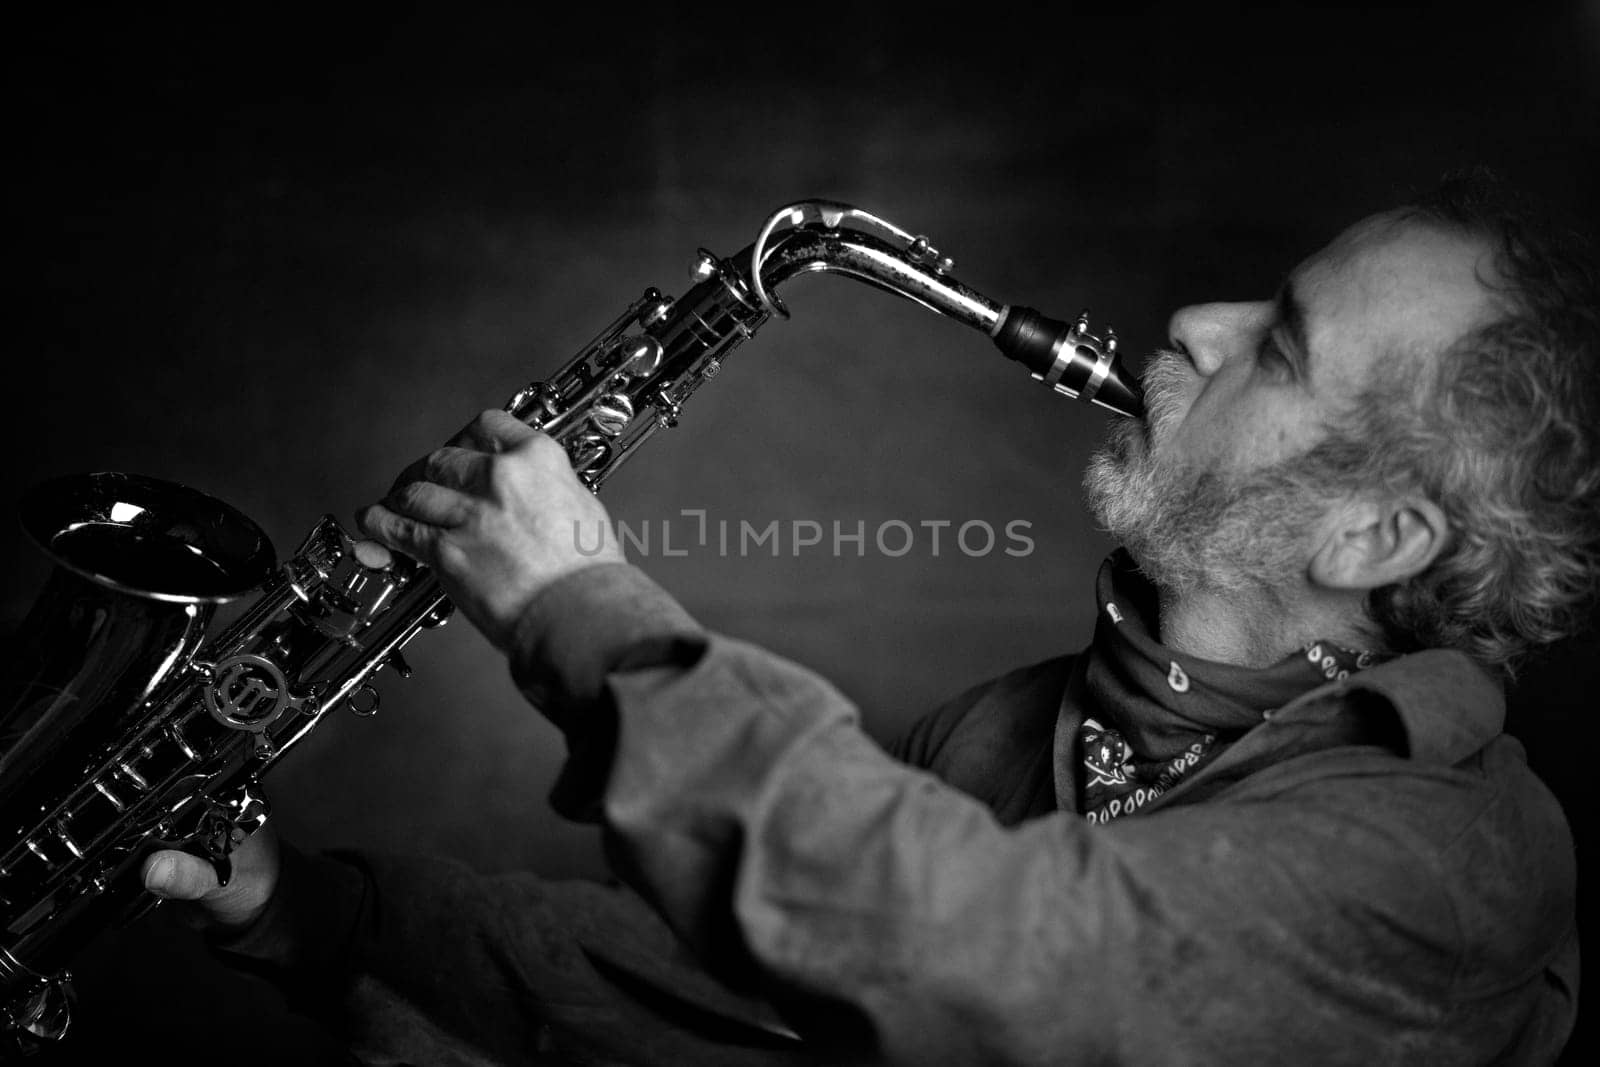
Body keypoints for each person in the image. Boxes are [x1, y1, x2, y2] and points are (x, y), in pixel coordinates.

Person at [141, 172, 1596, 1064]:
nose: (1199, 325)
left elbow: (990, 959)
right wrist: (302, 911)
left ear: (1375, 534)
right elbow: (712, 1006)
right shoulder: (1001, 729)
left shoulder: (1451, 855)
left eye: (1278, 347)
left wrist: (584, 608)